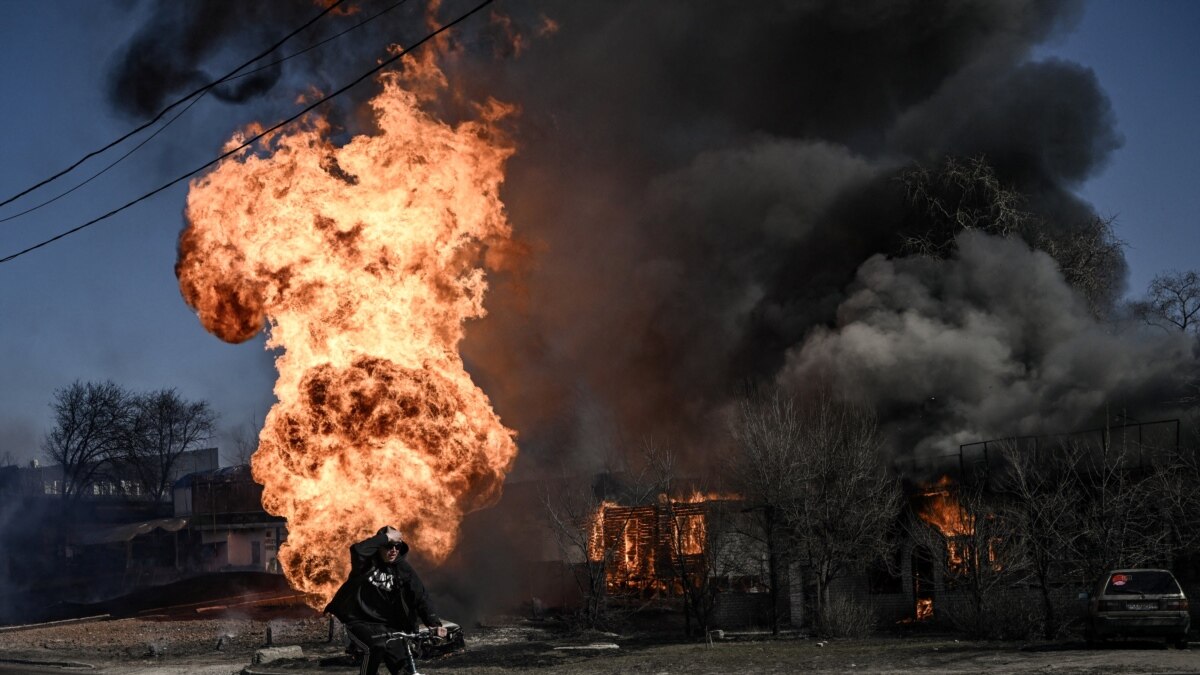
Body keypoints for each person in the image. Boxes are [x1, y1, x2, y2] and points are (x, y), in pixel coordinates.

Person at [324, 526, 447, 675]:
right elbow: (357, 549)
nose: (394, 550)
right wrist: (387, 537)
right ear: (379, 546)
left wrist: (434, 624)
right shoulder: (364, 564)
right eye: (389, 546)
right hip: (359, 621)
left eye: (397, 546)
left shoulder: (403, 568)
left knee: (404, 667)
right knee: (376, 647)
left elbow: (420, 596)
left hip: (390, 626)